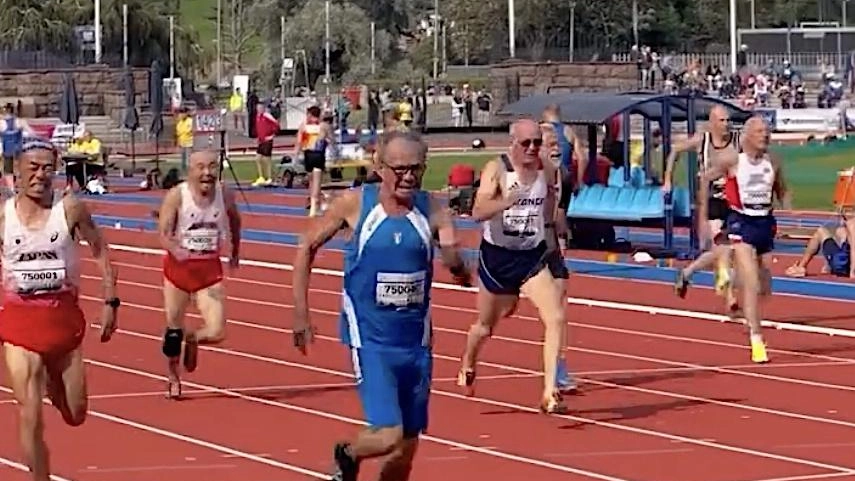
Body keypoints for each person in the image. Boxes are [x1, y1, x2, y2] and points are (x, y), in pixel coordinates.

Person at [291, 130, 471, 481]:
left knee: (406, 450)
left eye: (416, 169)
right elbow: (305, 246)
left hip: (416, 343)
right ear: (380, 167)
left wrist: (457, 265)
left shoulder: (431, 207)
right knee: (387, 433)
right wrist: (301, 312)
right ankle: (348, 453)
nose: (408, 177)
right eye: (400, 169)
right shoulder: (356, 205)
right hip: (371, 340)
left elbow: (451, 250)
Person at [0, 139, 119, 481]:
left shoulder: (70, 210)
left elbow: (100, 249)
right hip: (20, 323)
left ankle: (55, 383)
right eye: (33, 168)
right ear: (16, 173)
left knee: (76, 413)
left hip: (63, 321)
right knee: (30, 415)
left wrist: (111, 299)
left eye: (47, 168)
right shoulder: (4, 216)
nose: (40, 175)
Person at [457, 119, 572, 413]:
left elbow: (549, 207)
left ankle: (550, 392)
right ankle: (469, 360)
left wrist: (555, 239)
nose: (533, 148)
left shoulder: (547, 168)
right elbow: (477, 212)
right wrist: (506, 201)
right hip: (498, 258)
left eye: (537, 142)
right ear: (513, 143)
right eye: (527, 143)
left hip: (531, 256)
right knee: (486, 325)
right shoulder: (497, 169)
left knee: (555, 316)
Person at [703, 116, 791, 363]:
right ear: (748, 135)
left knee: (764, 286)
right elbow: (707, 177)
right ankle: (756, 339)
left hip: (765, 222)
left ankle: (728, 274)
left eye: (767, 131)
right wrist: (708, 208)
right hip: (741, 222)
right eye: (760, 131)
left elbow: (781, 189)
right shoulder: (732, 160)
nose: (765, 135)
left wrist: (787, 207)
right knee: (751, 283)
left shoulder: (773, 160)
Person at [157, 150, 242, 398]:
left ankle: (192, 339)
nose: (207, 173)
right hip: (178, 272)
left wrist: (235, 250)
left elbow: (236, 220)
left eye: (212, 167)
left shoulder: (224, 194)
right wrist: (175, 248)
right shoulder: (177, 196)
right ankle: (173, 377)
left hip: (209, 271)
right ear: (190, 170)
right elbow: (163, 234)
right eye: (201, 167)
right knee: (173, 333)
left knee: (217, 331)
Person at [663, 105, 740, 301]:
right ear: (712, 122)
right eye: (722, 120)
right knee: (722, 246)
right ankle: (730, 297)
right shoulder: (702, 141)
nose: (726, 124)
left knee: (731, 249)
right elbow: (675, 150)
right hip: (711, 200)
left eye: (728, 120)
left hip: (735, 200)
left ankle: (687, 273)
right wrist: (668, 179)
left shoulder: (738, 141)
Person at [785, 216, 855, 278]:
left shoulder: (852, 224)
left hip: (842, 265)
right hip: (845, 261)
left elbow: (854, 249)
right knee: (840, 231)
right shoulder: (850, 224)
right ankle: (828, 265)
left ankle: (801, 267)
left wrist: (853, 272)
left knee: (820, 232)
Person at [295, 105, 334, 217]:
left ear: (311, 115)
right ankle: (314, 207)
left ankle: (316, 205)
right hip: (318, 155)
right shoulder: (324, 126)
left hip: (308, 155)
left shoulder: (303, 126)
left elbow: (299, 142)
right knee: (316, 183)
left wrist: (296, 156)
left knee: (312, 182)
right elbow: (332, 141)